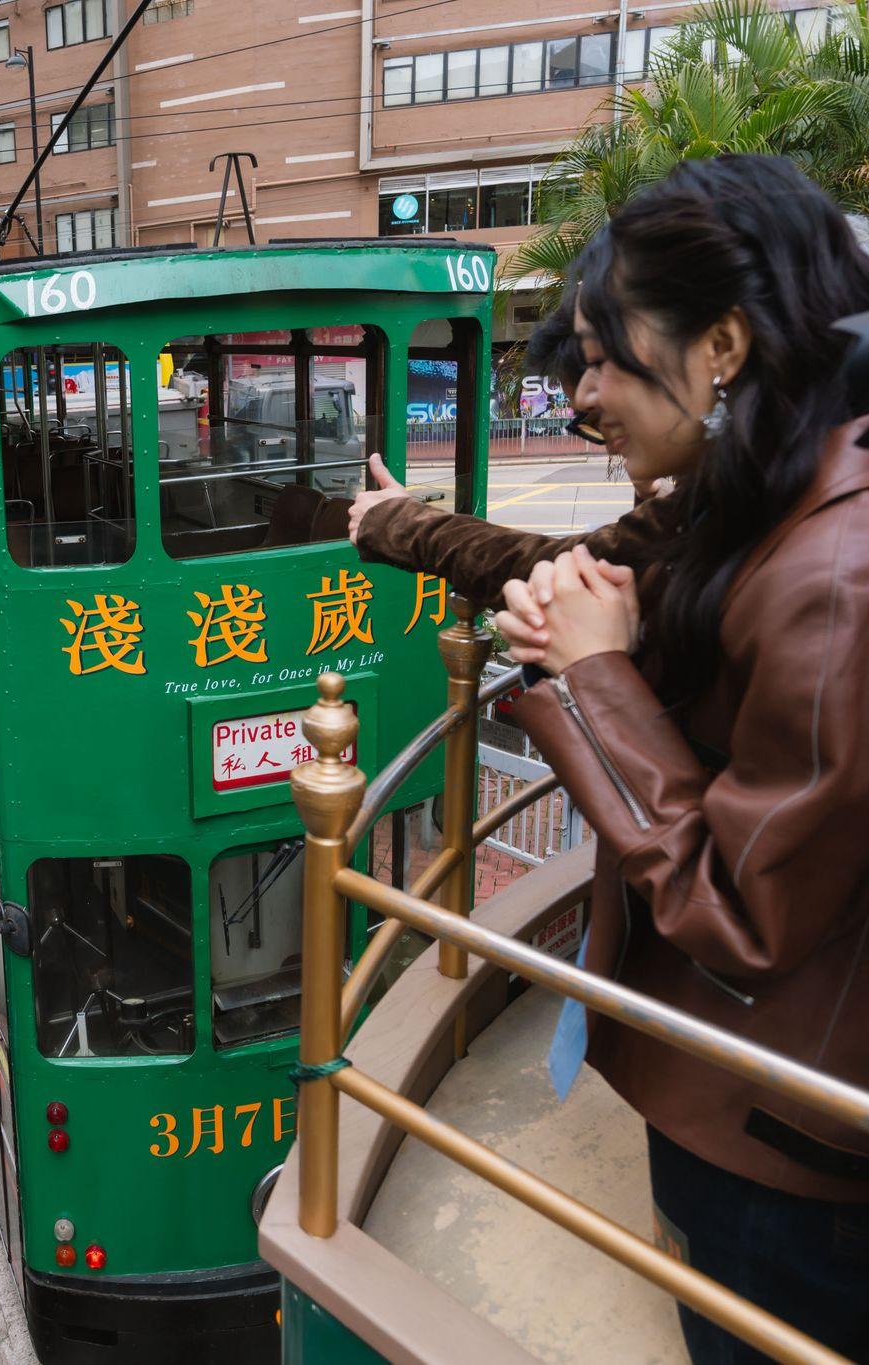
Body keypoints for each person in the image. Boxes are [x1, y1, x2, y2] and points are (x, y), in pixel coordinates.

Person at [347, 154, 869, 1363]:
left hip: (781, 1145)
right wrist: (406, 527)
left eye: (599, 354)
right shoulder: (761, 478)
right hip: (753, 1096)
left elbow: (742, 914)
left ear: (720, 346)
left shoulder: (832, 575)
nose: (579, 396)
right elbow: (578, 564)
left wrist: (592, 678)